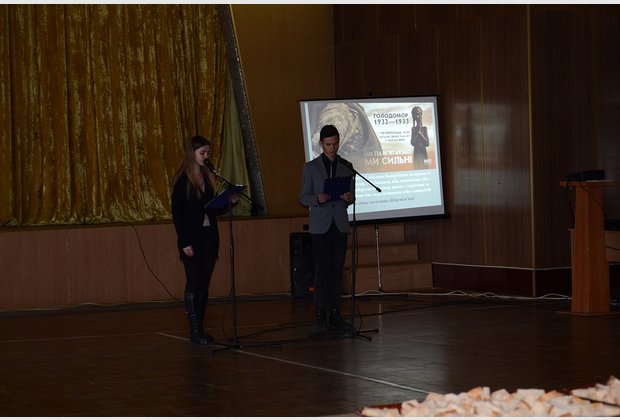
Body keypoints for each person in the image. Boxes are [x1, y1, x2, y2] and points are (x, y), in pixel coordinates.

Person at [171, 135, 237, 345]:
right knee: (194, 281)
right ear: (192, 153)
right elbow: (178, 214)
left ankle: (200, 327)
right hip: (191, 239)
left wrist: (228, 202)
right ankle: (195, 330)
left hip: (209, 236)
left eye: (208, 152)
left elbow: (210, 209)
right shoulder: (182, 180)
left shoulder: (207, 178)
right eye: (202, 153)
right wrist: (184, 242)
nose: (206, 156)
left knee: (204, 283)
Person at [299, 124, 355, 335]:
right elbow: (303, 197)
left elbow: (351, 196)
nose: (332, 148)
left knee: (337, 269)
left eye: (335, 144)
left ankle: (336, 313)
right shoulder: (311, 167)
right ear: (321, 144)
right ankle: (321, 315)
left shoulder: (346, 166)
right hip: (320, 226)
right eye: (328, 144)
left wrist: (349, 198)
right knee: (322, 270)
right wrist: (317, 198)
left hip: (339, 223)